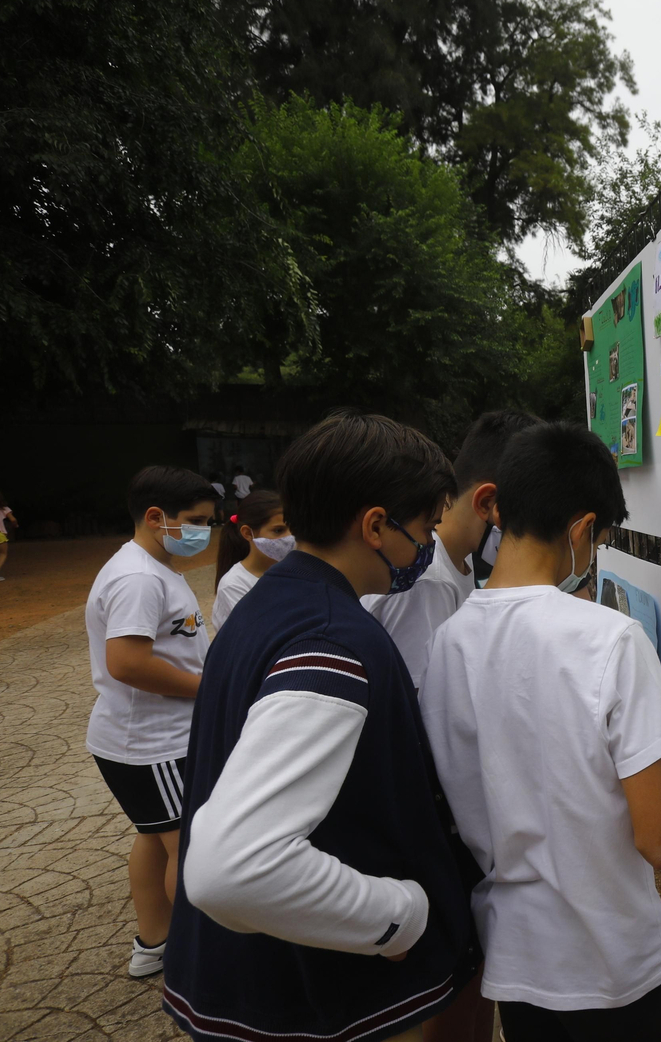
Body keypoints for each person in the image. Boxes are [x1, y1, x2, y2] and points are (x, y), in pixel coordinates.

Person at [164, 411, 480, 1042]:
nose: (426, 548)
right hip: (322, 992)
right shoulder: (333, 639)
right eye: (423, 529)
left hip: (256, 977)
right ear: (374, 525)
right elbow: (232, 866)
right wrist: (401, 917)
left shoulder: (270, 602)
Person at [423, 422, 661, 1041]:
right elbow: (658, 841)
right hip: (622, 968)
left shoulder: (448, 643)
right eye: (598, 540)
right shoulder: (611, 639)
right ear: (581, 529)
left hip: (521, 969)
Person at [84, 466, 218, 977]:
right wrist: (215, 689)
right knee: (189, 850)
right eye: (196, 521)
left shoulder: (153, 567)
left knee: (155, 838)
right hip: (152, 744)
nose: (203, 532)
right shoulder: (139, 577)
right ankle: (196, 956)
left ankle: (155, 942)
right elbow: (128, 662)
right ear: (156, 517)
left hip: (145, 741)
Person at [363, 411, 537, 692]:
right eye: (525, 514)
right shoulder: (429, 581)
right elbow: (419, 700)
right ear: (487, 502)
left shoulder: (460, 558)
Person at [210, 490, 292, 633]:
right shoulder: (234, 585)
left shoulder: (294, 570)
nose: (289, 537)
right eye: (278, 530)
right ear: (248, 533)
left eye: (293, 528)